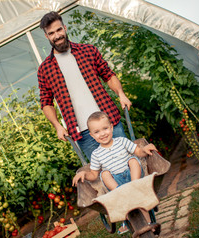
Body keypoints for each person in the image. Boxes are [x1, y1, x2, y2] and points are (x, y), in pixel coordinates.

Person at [37, 11, 132, 161]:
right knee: (102, 174)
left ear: (65, 28)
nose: (57, 36)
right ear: (47, 36)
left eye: (59, 30)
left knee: (128, 160)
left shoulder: (88, 51)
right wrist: (57, 126)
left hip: (108, 121)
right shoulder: (45, 69)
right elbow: (46, 102)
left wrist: (121, 94)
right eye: (51, 33)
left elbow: (108, 74)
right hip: (82, 132)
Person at [72, 111, 157, 233]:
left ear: (111, 128)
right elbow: (94, 174)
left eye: (105, 128)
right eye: (97, 132)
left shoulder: (122, 141)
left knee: (133, 160)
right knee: (104, 174)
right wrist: (84, 174)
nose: (102, 134)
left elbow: (138, 152)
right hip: (117, 183)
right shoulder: (96, 154)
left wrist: (144, 149)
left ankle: (148, 222)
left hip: (133, 176)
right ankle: (124, 212)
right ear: (92, 135)